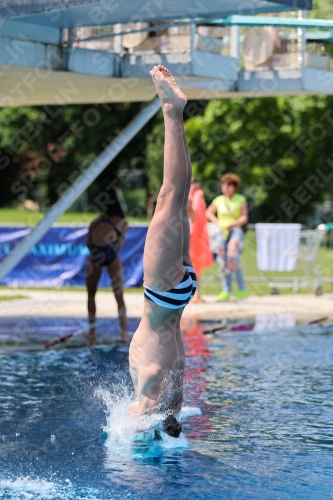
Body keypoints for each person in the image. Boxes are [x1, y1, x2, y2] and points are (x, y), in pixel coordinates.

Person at [128, 65, 196, 438]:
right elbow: (138, 415)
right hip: (162, 295)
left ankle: (176, 114)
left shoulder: (173, 403)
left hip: (179, 298)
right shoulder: (151, 400)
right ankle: (171, 111)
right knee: (170, 195)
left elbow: (164, 416)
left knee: (177, 198)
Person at [86, 198, 129, 344]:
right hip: (111, 253)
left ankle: (92, 332)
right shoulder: (123, 223)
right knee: (119, 296)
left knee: (91, 294)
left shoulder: (95, 221)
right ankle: (124, 334)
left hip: (95, 253)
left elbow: (88, 243)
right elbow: (120, 244)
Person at [206, 173, 248, 301]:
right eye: (224, 184)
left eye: (229, 184)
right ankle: (226, 290)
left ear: (234, 186)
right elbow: (208, 212)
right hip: (221, 231)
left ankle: (242, 290)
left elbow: (244, 217)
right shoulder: (218, 200)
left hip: (235, 230)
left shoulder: (240, 199)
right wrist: (217, 222)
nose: (226, 186)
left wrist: (233, 223)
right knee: (223, 262)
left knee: (232, 258)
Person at [188, 177, 213, 303]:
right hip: (189, 235)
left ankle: (196, 293)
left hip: (194, 236)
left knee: (194, 265)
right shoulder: (191, 196)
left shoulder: (197, 196)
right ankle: (193, 293)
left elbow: (195, 217)